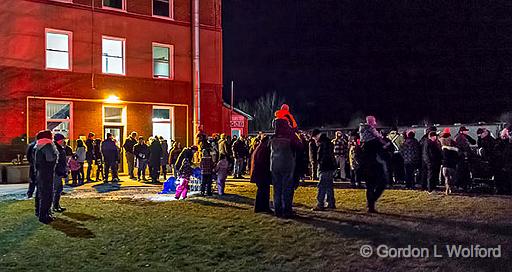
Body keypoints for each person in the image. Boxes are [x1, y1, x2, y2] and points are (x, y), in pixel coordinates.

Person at [269, 119, 302, 218]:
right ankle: (286, 210)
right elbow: (300, 146)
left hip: (274, 165)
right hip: (287, 164)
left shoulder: (273, 137)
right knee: (287, 188)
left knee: (277, 188)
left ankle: (277, 210)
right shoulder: (290, 136)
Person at [359, 116, 387, 213]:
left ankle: (370, 205)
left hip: (366, 166)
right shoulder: (375, 142)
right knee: (383, 183)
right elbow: (383, 151)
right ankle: (371, 202)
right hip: (375, 166)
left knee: (370, 186)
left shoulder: (363, 142)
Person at [34, 130, 58, 224]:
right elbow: (50, 158)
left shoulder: (38, 146)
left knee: (41, 193)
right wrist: (55, 156)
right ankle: (44, 215)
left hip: (40, 172)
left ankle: (40, 212)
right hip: (47, 172)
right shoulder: (47, 146)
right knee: (47, 194)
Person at [312, 129, 337, 211]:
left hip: (325, 167)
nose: (315, 140)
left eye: (314, 138)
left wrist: (321, 163)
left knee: (322, 185)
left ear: (317, 135)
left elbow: (324, 156)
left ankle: (320, 204)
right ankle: (331, 203)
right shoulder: (327, 142)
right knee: (329, 185)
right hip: (329, 167)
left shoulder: (323, 143)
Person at [250, 135, 272, 213]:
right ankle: (263, 207)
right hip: (261, 173)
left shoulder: (259, 147)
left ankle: (259, 208)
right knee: (264, 191)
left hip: (258, 173)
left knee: (261, 191)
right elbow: (264, 162)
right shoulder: (264, 149)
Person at [53, 133, 68, 213]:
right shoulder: (55, 149)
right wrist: (58, 170)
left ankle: (56, 205)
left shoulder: (59, 148)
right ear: (59, 140)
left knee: (59, 189)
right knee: (56, 189)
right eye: (62, 140)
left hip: (59, 171)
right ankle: (54, 206)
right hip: (56, 172)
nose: (64, 141)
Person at [494, 128, 512, 195]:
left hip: (506, 163)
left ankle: (506, 189)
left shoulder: (507, 143)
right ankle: (502, 190)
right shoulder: (499, 142)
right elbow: (499, 153)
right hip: (502, 164)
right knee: (502, 177)